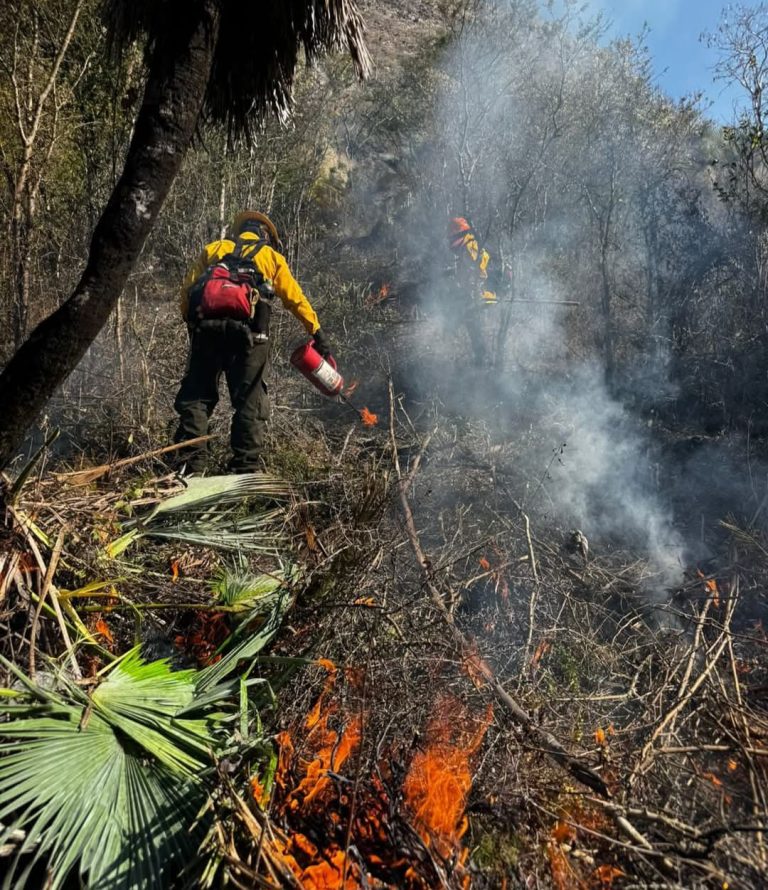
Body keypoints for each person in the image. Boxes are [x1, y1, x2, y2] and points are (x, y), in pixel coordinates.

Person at [174, 210, 333, 474]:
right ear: (265, 235)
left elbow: (187, 292)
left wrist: (193, 326)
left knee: (197, 398)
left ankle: (189, 467)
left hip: (206, 334)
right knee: (250, 401)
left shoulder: (215, 249)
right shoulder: (271, 257)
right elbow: (295, 300)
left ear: (240, 230)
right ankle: (244, 470)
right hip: (250, 340)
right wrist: (317, 333)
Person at [447, 216, 498, 364]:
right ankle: (481, 357)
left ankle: (483, 360)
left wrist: (474, 289)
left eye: (451, 238)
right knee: (472, 325)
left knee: (477, 327)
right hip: (475, 296)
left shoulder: (469, 248)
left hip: (482, 297)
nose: (450, 242)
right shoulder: (466, 247)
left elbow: (480, 274)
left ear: (458, 235)